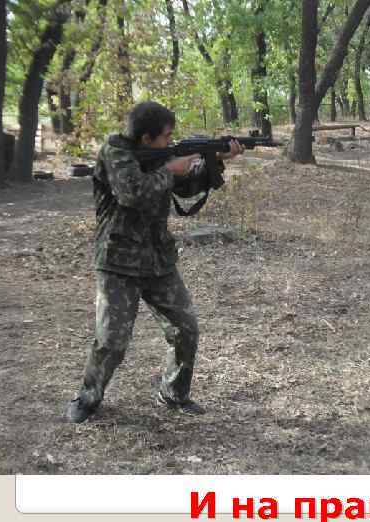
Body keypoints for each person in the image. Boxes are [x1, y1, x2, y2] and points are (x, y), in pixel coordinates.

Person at [65, 101, 244, 423]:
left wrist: (215, 160)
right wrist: (170, 169)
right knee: (112, 341)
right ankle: (88, 398)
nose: (170, 141)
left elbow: (185, 188)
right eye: (166, 136)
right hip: (118, 262)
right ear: (146, 138)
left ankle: (173, 393)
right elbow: (133, 193)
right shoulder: (115, 153)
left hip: (157, 259)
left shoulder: (160, 156)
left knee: (186, 329)